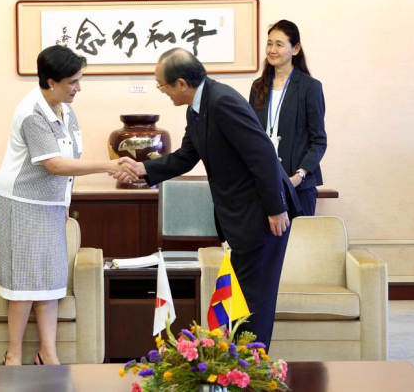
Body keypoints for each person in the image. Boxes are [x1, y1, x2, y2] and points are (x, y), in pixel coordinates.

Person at [115, 48, 299, 351]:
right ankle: (236, 363)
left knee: (254, 301)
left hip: (262, 214)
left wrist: (277, 208)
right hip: (241, 216)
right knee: (240, 299)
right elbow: (187, 156)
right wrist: (143, 169)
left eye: (162, 85)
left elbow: (263, 154)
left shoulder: (222, 101)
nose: (162, 91)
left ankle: (252, 366)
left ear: (181, 83)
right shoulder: (197, 108)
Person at [0, 45, 136, 366]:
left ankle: (48, 352)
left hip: (51, 202)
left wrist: (64, 201)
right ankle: (13, 355)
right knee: (24, 281)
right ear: (51, 82)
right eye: (72, 82)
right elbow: (55, 165)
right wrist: (108, 166)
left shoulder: (64, 109)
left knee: (52, 278)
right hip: (21, 202)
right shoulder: (32, 113)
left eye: (79, 80)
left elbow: (69, 162)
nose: (78, 88)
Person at [249, 20, 326, 216]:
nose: (272, 50)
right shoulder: (258, 87)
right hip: (264, 185)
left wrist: (300, 175)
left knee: (299, 237)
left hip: (299, 185)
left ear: (295, 49)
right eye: (269, 43)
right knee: (266, 237)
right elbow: (251, 135)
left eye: (279, 44)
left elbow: (319, 141)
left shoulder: (310, 87)